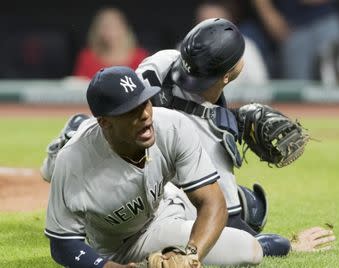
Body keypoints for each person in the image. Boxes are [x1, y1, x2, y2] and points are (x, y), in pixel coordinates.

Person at [135, 18, 335, 255]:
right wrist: (288, 245)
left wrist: (229, 118)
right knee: (251, 209)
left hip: (113, 171)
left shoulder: (161, 62)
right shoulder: (210, 147)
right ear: (228, 76)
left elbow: (185, 107)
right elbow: (229, 226)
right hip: (147, 211)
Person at [44, 66, 264, 267]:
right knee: (247, 249)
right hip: (124, 245)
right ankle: (73, 131)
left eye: (146, 101)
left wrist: (191, 255)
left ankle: (244, 208)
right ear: (104, 122)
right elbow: (63, 244)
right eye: (131, 109)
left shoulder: (171, 125)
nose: (145, 114)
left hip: (168, 201)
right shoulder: (73, 162)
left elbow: (212, 202)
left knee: (244, 242)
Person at [72, 7, 149, 79]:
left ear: (125, 28)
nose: (111, 32)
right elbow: (78, 86)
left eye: (115, 26)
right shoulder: (87, 57)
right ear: (96, 31)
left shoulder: (140, 56)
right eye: (105, 27)